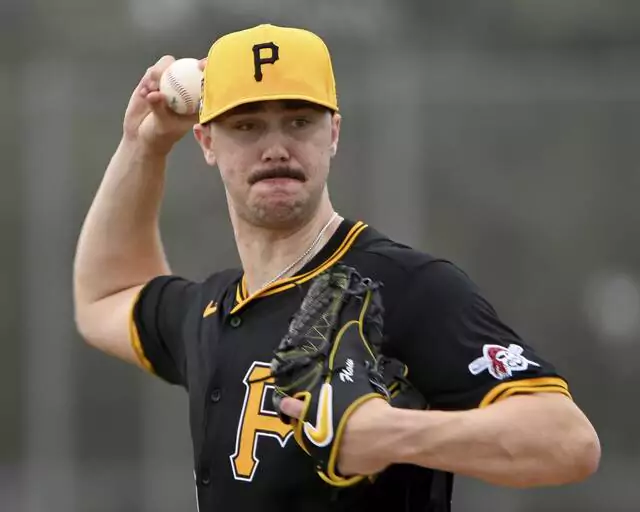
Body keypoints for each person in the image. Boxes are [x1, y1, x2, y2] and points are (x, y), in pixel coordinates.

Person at [73, 23, 600, 512]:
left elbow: (568, 440)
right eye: (247, 125)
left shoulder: (405, 285)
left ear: (333, 134)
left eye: (299, 121)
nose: (275, 147)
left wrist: (390, 434)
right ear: (207, 141)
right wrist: (144, 145)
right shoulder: (210, 314)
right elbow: (104, 296)